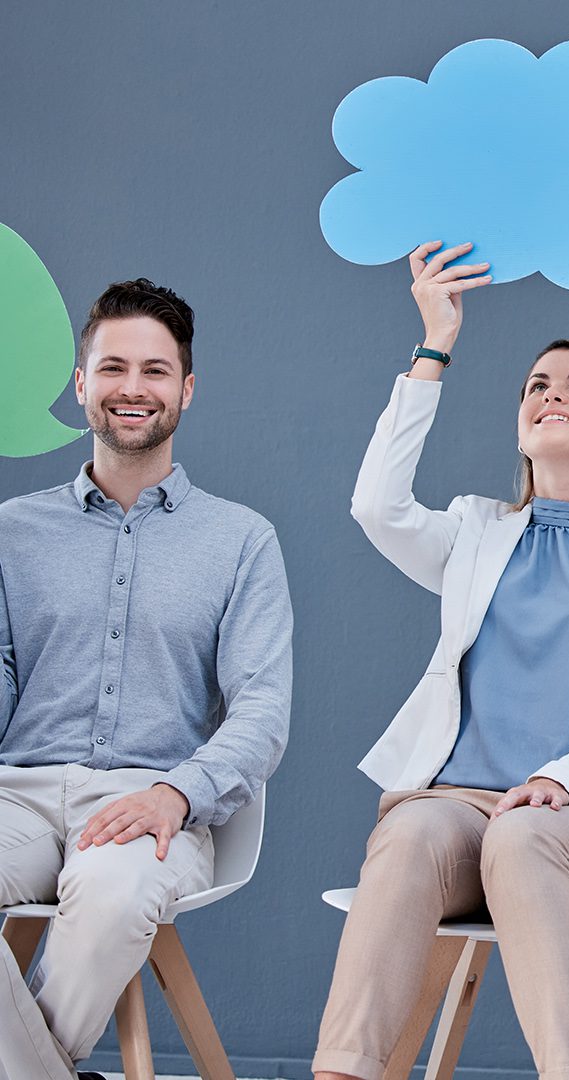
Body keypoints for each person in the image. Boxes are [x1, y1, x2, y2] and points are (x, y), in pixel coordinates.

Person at [311, 242, 569, 1080]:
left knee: (525, 838)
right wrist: (434, 346)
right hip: (459, 809)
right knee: (410, 827)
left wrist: (561, 781)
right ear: (521, 426)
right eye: (536, 386)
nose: (551, 395)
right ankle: (341, 1073)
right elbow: (374, 505)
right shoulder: (474, 533)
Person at [0, 279, 293, 1079]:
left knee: (114, 898)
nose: (134, 388)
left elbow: (262, 709)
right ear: (81, 383)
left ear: (186, 390)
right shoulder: (11, 531)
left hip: (151, 802)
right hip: (15, 795)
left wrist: (177, 795)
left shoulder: (241, 541)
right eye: (114, 368)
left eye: (156, 371)